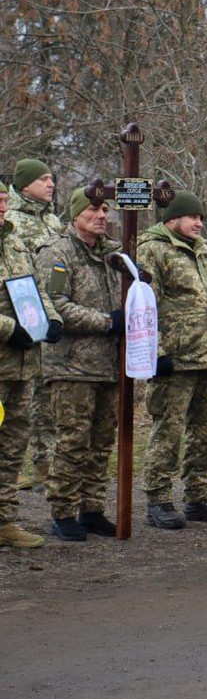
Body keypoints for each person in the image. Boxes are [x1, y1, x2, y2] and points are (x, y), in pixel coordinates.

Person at [137, 190, 207, 528]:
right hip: (176, 358)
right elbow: (145, 306)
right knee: (168, 430)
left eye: (201, 218)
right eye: (192, 217)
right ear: (172, 220)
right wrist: (159, 352)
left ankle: (200, 496)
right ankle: (158, 498)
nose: (199, 223)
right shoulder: (152, 250)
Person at [35, 189, 123, 541]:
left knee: (102, 442)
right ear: (75, 215)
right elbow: (54, 303)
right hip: (71, 366)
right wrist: (106, 321)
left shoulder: (114, 254)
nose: (102, 215)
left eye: (105, 209)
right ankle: (62, 511)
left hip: (109, 365)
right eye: (93, 209)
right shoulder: (58, 252)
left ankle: (92, 507)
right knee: (72, 441)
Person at [0, 184, 62, 549]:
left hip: (21, 367)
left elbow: (35, 288)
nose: (5, 206)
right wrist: (11, 330)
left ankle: (5, 520)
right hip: (7, 352)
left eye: (6, 200)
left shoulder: (14, 242)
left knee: (12, 447)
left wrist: (50, 319)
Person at [9, 159, 63, 492]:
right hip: (20, 319)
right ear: (25, 184)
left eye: (51, 178)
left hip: (52, 312)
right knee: (23, 397)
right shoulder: (11, 221)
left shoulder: (54, 221)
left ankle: (46, 462)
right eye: (42, 179)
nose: (50, 183)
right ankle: (20, 462)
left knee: (48, 393)